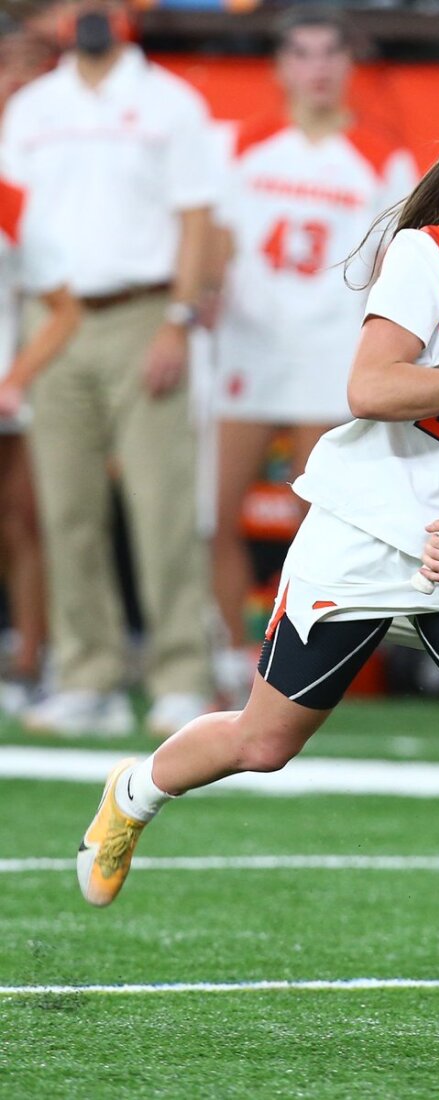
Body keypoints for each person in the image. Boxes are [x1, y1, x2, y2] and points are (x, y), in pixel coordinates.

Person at [75, 100, 439, 1032]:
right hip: (362, 532)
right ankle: (135, 791)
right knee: (264, 744)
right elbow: (371, 388)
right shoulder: (428, 256)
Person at [0, 0, 218, 738]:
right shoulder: (33, 106)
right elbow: (15, 220)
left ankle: (181, 674)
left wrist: (179, 320)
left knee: (161, 505)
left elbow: (196, 219)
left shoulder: (171, 103)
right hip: (52, 317)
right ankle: (84, 674)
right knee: (65, 509)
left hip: (141, 312)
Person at [209, 9, 419, 707]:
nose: (318, 68)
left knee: (319, 517)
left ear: (348, 66)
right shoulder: (242, 146)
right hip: (247, 342)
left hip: (330, 347)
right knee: (217, 511)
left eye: (330, 54)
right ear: (280, 66)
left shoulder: (379, 156)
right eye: (302, 54)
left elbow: (401, 259)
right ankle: (224, 652)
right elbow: (214, 238)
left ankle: (289, 655)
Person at [0, 17, 61, 714]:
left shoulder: (61, 134)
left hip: (35, 326)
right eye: (9, 63)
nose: (19, 79)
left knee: (27, 514)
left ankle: (31, 650)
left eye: (33, 62)